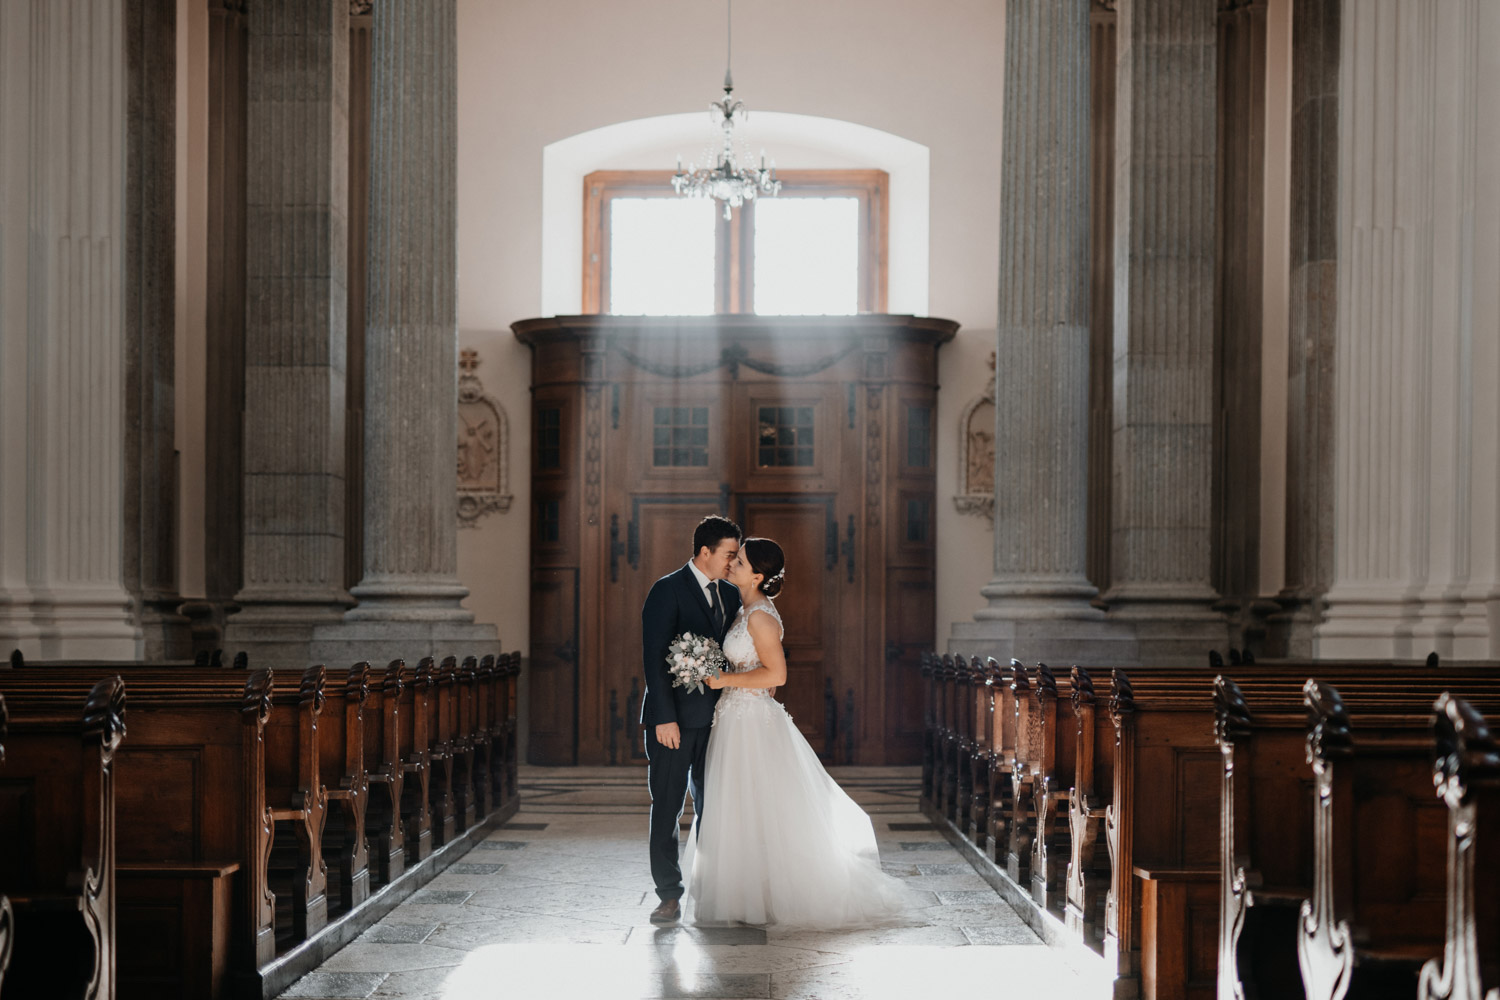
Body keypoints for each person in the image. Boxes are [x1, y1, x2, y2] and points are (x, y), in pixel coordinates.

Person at [686, 537, 915, 928]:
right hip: (735, 719)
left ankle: (769, 896)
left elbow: (777, 674)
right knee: (741, 806)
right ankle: (745, 894)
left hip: (751, 724)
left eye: (738, 561)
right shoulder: (744, 611)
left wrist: (724, 678)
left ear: (757, 575)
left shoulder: (759, 616)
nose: (731, 565)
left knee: (758, 806)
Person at [640, 514, 743, 924]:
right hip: (674, 724)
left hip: (720, 721)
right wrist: (664, 718)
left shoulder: (732, 596)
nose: (733, 563)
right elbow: (653, 658)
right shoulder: (667, 590)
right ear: (705, 552)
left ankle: (713, 889)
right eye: (729, 555)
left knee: (714, 806)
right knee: (668, 807)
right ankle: (669, 893)